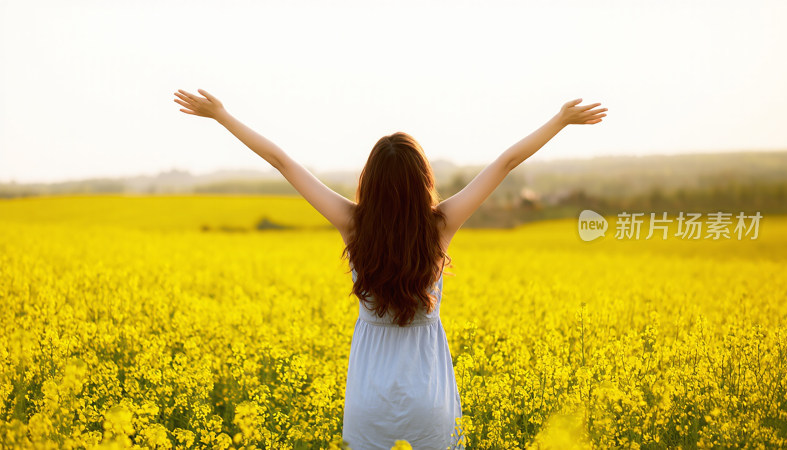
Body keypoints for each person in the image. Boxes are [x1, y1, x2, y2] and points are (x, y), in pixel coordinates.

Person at [173, 89, 606, 449]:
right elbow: (506, 163)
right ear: (423, 181)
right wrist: (560, 120)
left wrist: (222, 116)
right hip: (429, 401)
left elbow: (283, 163)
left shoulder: (353, 225)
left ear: (370, 182)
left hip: (369, 402)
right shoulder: (441, 226)